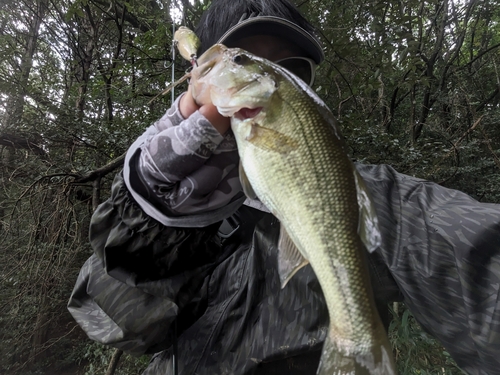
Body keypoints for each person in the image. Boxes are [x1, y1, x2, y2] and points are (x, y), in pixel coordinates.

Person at [68, 0, 500, 374]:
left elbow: (473, 251)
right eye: (247, 56)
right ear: (199, 72)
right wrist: (152, 225)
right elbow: (111, 324)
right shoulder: (162, 186)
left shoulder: (368, 192)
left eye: (292, 68)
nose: (275, 76)